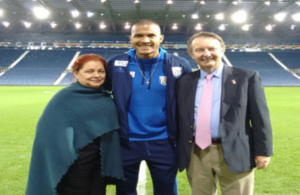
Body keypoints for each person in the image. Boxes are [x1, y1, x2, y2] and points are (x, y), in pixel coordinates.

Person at [176, 31, 273, 195]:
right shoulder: (184, 82)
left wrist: (263, 151)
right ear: (191, 54)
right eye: (199, 50)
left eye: (212, 48)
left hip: (235, 150)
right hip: (196, 152)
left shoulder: (247, 77)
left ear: (222, 49)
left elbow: (260, 118)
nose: (206, 54)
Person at [107, 20, 192, 195]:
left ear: (160, 38)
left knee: (166, 190)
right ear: (130, 38)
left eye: (151, 35)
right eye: (139, 35)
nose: (145, 40)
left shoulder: (179, 64)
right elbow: (99, 95)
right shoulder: (116, 64)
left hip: (165, 141)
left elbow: (189, 102)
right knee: (124, 191)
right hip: (126, 141)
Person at [26, 54, 124, 195]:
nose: (96, 75)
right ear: (76, 73)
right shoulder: (64, 97)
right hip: (74, 164)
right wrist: (66, 158)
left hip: (99, 163)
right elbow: (47, 132)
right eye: (89, 71)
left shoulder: (104, 96)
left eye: (101, 71)